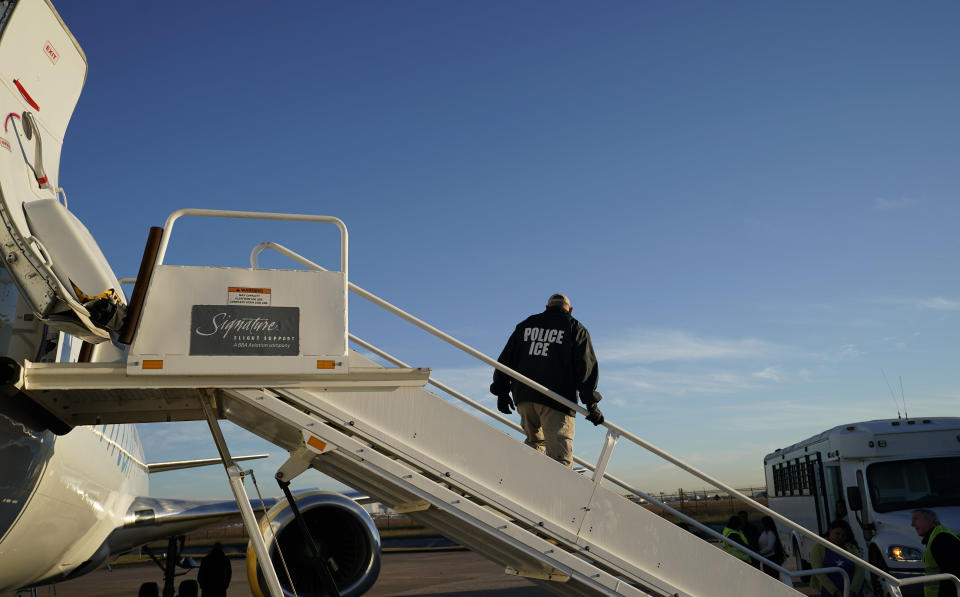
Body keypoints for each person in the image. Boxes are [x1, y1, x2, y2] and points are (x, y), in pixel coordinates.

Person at [490, 293, 603, 468]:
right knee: (560, 458)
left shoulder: (526, 325)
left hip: (524, 398)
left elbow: (506, 360)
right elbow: (585, 368)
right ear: (570, 310)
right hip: (556, 400)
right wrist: (591, 404)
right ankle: (560, 494)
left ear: (547, 307)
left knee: (534, 446)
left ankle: (529, 489)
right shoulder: (575, 328)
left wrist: (502, 392)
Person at [912, 508, 960, 597]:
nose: (912, 524)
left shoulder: (942, 539)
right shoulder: (937, 537)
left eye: (916, 519)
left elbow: (950, 576)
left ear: (930, 520)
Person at [810, 519, 865, 597]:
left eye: (843, 535)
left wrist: (852, 591)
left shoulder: (851, 548)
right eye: (837, 534)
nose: (840, 537)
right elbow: (819, 572)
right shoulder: (818, 548)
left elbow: (860, 570)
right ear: (830, 531)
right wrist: (835, 592)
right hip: (830, 593)